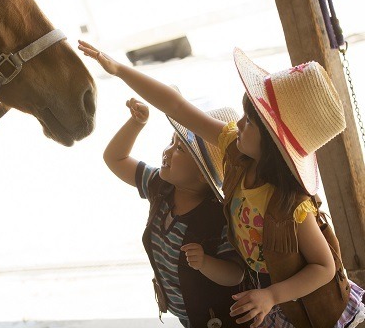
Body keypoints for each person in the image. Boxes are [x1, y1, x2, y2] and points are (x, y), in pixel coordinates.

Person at [80, 40, 365, 328]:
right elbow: (176, 106)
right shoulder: (234, 153)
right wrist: (119, 70)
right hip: (264, 298)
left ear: (274, 143)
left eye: (250, 122)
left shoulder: (291, 205)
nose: (239, 125)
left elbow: (324, 267)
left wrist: (271, 296)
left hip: (297, 306)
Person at [104, 93, 247, 327]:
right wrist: (136, 123)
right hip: (187, 316)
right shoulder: (160, 186)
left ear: (203, 173)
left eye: (179, 148)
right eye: (171, 141)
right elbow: (115, 158)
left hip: (220, 319)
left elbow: (235, 274)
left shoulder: (217, 217)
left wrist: (205, 263)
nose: (167, 151)